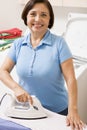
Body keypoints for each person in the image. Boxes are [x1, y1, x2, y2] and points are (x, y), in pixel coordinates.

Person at [0, 0, 86, 129]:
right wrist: (16, 88)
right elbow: (3, 70)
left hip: (56, 111)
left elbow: (70, 79)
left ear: (50, 19)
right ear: (26, 17)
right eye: (33, 14)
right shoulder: (18, 44)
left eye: (44, 15)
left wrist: (73, 110)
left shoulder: (59, 44)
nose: (38, 19)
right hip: (29, 110)